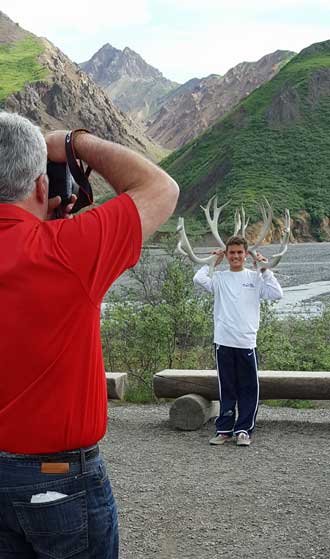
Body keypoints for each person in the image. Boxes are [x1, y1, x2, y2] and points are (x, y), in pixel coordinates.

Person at [0, 112, 179, 558]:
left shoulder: (59, 244)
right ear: (43, 187)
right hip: (57, 479)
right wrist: (73, 143)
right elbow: (161, 189)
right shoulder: (66, 252)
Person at [193, 235, 283, 447]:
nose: (235, 256)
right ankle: (224, 429)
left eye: (239, 252)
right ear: (227, 255)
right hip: (224, 342)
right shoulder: (220, 279)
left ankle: (243, 430)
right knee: (227, 388)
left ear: (245, 254)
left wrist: (264, 269)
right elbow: (198, 278)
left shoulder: (255, 278)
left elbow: (277, 294)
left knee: (249, 388)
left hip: (246, 343)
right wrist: (212, 262)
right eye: (231, 253)